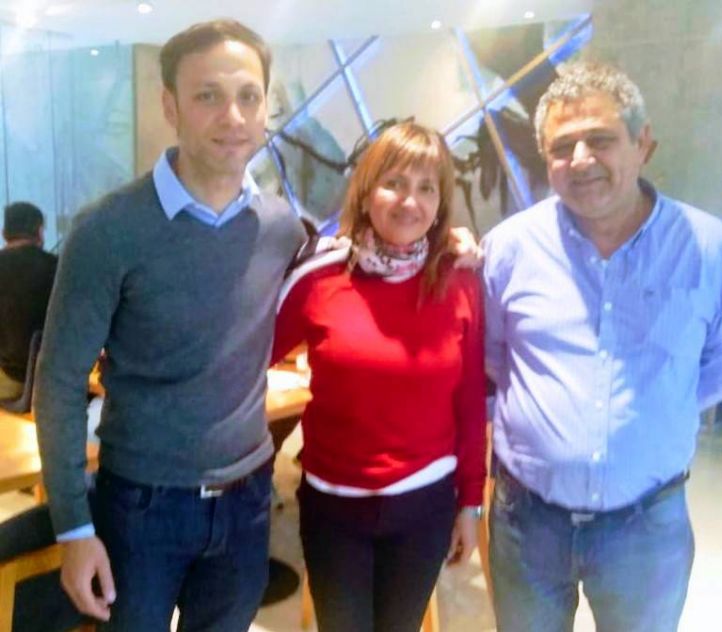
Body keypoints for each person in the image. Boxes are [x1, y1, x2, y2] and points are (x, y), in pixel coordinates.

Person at [34, 20, 307, 631]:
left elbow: (349, 272)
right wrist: (73, 528)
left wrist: (450, 249)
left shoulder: (280, 227)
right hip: (141, 504)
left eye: (248, 96)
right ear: (170, 106)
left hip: (247, 498)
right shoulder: (107, 231)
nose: (232, 115)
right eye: (208, 95)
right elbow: (59, 383)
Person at [481, 61, 722, 632]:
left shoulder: (713, 251)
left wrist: (657, 405)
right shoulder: (508, 249)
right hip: (527, 522)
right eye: (562, 147)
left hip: (647, 527)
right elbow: (492, 358)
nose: (581, 159)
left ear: (643, 144)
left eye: (601, 139)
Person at [272, 122, 487, 632]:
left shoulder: (459, 280)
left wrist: (471, 503)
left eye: (426, 187)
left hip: (425, 506)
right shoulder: (319, 275)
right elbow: (245, 358)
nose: (410, 201)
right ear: (367, 192)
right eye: (394, 183)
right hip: (333, 506)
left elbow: (470, 401)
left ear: (440, 203)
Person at [0, 202, 57, 400]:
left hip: (8, 381)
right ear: (39, 232)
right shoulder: (57, 267)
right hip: (50, 381)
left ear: (4, 233)